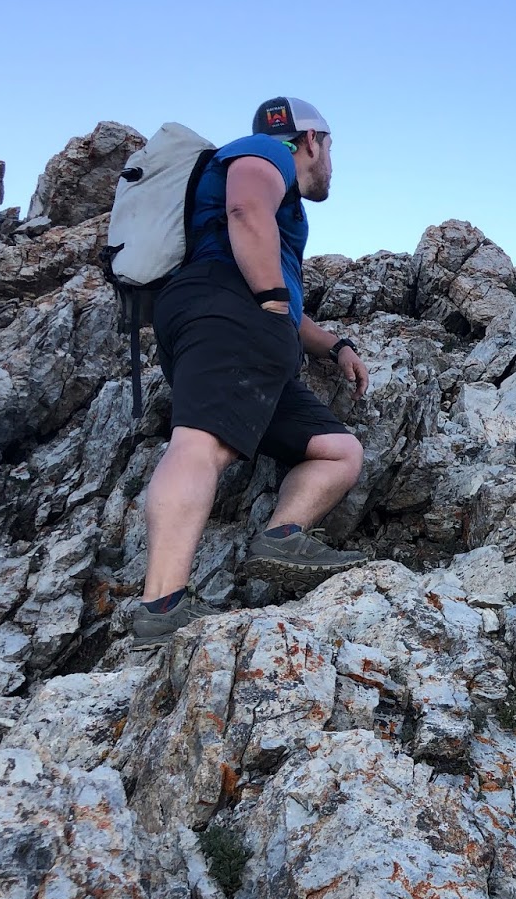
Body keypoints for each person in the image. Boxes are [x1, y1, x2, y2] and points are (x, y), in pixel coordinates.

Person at [132, 96, 371, 648]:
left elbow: (286, 300)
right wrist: (266, 298)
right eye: (331, 147)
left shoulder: (281, 213)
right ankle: (161, 607)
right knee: (201, 443)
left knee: (338, 450)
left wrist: (335, 345)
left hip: (252, 334)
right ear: (312, 139)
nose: (331, 161)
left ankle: (282, 536)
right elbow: (245, 210)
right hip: (226, 309)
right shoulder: (266, 150)